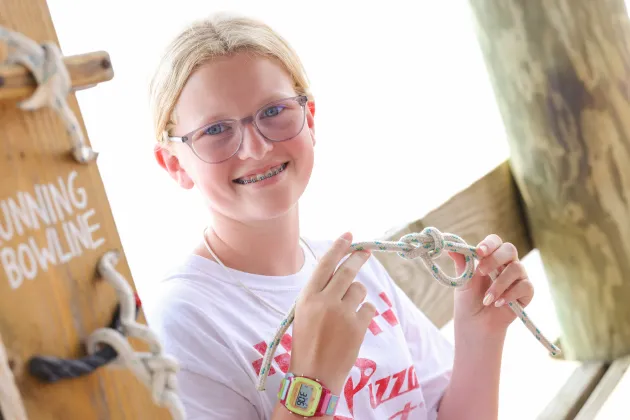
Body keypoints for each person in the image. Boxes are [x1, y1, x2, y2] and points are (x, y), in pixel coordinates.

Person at [144, 12, 534, 420]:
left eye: (274, 111)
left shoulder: (354, 270)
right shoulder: (182, 322)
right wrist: (312, 383)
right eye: (216, 130)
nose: (255, 147)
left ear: (309, 118)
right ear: (173, 164)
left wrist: (479, 336)